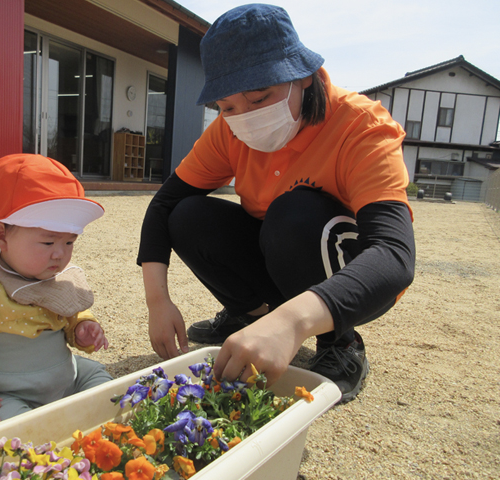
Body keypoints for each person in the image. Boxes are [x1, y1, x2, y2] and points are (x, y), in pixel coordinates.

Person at [137, 4, 415, 402]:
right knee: (189, 214)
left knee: (294, 214)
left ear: (301, 77)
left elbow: (394, 255)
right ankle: (251, 318)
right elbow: (165, 205)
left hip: (348, 271)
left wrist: (293, 321)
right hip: (275, 252)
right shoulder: (227, 132)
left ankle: (340, 342)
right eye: (227, 107)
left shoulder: (359, 126)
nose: (244, 116)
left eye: (259, 97)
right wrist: (157, 301)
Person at [0, 154, 112, 436]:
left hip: (64, 380)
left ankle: (85, 414)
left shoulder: (51, 274)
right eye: (47, 241)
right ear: (1, 235)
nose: (60, 253)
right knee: (18, 434)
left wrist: (81, 327)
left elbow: (67, 309)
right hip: (6, 394)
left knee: (106, 385)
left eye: (69, 242)